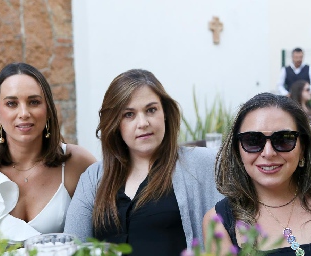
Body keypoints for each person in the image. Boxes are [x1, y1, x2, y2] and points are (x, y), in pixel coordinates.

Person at [64, 69, 223, 255]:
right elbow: (72, 247)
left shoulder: (202, 164)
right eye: (129, 114)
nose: (143, 123)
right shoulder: (93, 178)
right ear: (115, 124)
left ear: (165, 113)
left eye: (151, 110)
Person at [203, 93, 311, 255]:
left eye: (284, 139)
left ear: (303, 148)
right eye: (252, 141)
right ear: (237, 151)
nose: (268, 152)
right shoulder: (219, 222)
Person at [0, 62, 96, 242]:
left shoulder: (77, 163)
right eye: (12, 103)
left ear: (49, 111)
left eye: (34, 102)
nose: (24, 113)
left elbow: (108, 230)